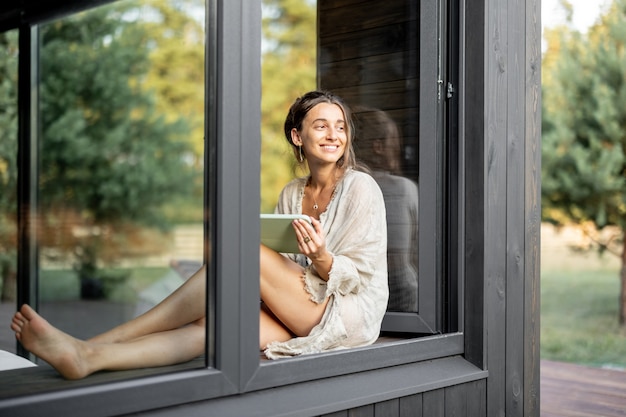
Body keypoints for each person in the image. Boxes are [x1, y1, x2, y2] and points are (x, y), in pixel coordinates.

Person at [10, 90, 389, 379]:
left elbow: (358, 278)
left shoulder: (361, 188)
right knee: (210, 329)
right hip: (305, 303)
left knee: (242, 252)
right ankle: (88, 356)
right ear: (296, 135)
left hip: (348, 313)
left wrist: (322, 257)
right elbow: (288, 270)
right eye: (320, 125)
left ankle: (100, 339)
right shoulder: (292, 192)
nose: (333, 135)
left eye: (340, 127)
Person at [353, 107, 418, 312]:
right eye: (394, 141)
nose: (399, 148)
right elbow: (418, 249)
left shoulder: (342, 188)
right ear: (378, 147)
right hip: (402, 296)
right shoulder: (401, 188)